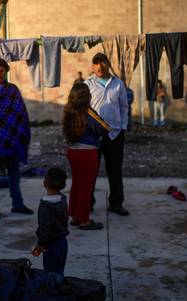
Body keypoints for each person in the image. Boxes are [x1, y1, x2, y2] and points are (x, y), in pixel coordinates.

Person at [0, 58, 32, 219]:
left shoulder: (13, 90)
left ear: (6, 72)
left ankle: (17, 205)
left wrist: (22, 135)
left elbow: (20, 114)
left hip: (13, 141)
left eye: (1, 71)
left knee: (14, 178)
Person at [85, 53, 129, 216]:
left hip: (115, 135)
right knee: (91, 171)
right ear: (92, 66)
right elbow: (83, 109)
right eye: (96, 63)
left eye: (102, 63)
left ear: (108, 64)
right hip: (93, 136)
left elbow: (124, 107)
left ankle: (116, 203)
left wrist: (122, 126)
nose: (99, 67)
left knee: (115, 171)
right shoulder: (87, 84)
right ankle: (88, 203)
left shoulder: (118, 84)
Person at [63, 83, 110, 229]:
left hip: (72, 151)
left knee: (76, 184)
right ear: (86, 97)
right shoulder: (88, 112)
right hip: (87, 152)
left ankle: (75, 216)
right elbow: (104, 128)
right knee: (86, 186)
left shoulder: (69, 111)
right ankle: (84, 220)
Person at [31, 167, 69, 276]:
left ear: (45, 183)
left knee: (50, 273)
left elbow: (44, 228)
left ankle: (54, 291)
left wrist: (40, 244)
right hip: (62, 241)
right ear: (63, 185)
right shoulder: (63, 199)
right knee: (59, 270)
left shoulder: (45, 205)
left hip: (51, 244)